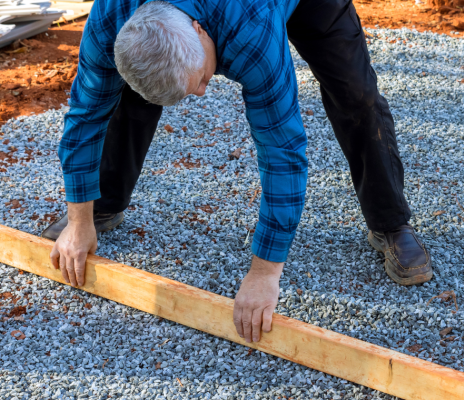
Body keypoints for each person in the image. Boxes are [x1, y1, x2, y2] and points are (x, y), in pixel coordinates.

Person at [44, 0, 432, 344]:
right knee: (129, 97)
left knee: (356, 97)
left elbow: (282, 150)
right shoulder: (112, 13)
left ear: (198, 31)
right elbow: (85, 116)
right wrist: (78, 221)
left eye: (198, 80)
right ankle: (102, 206)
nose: (200, 94)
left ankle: (390, 223)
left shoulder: (253, 32)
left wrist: (264, 272)